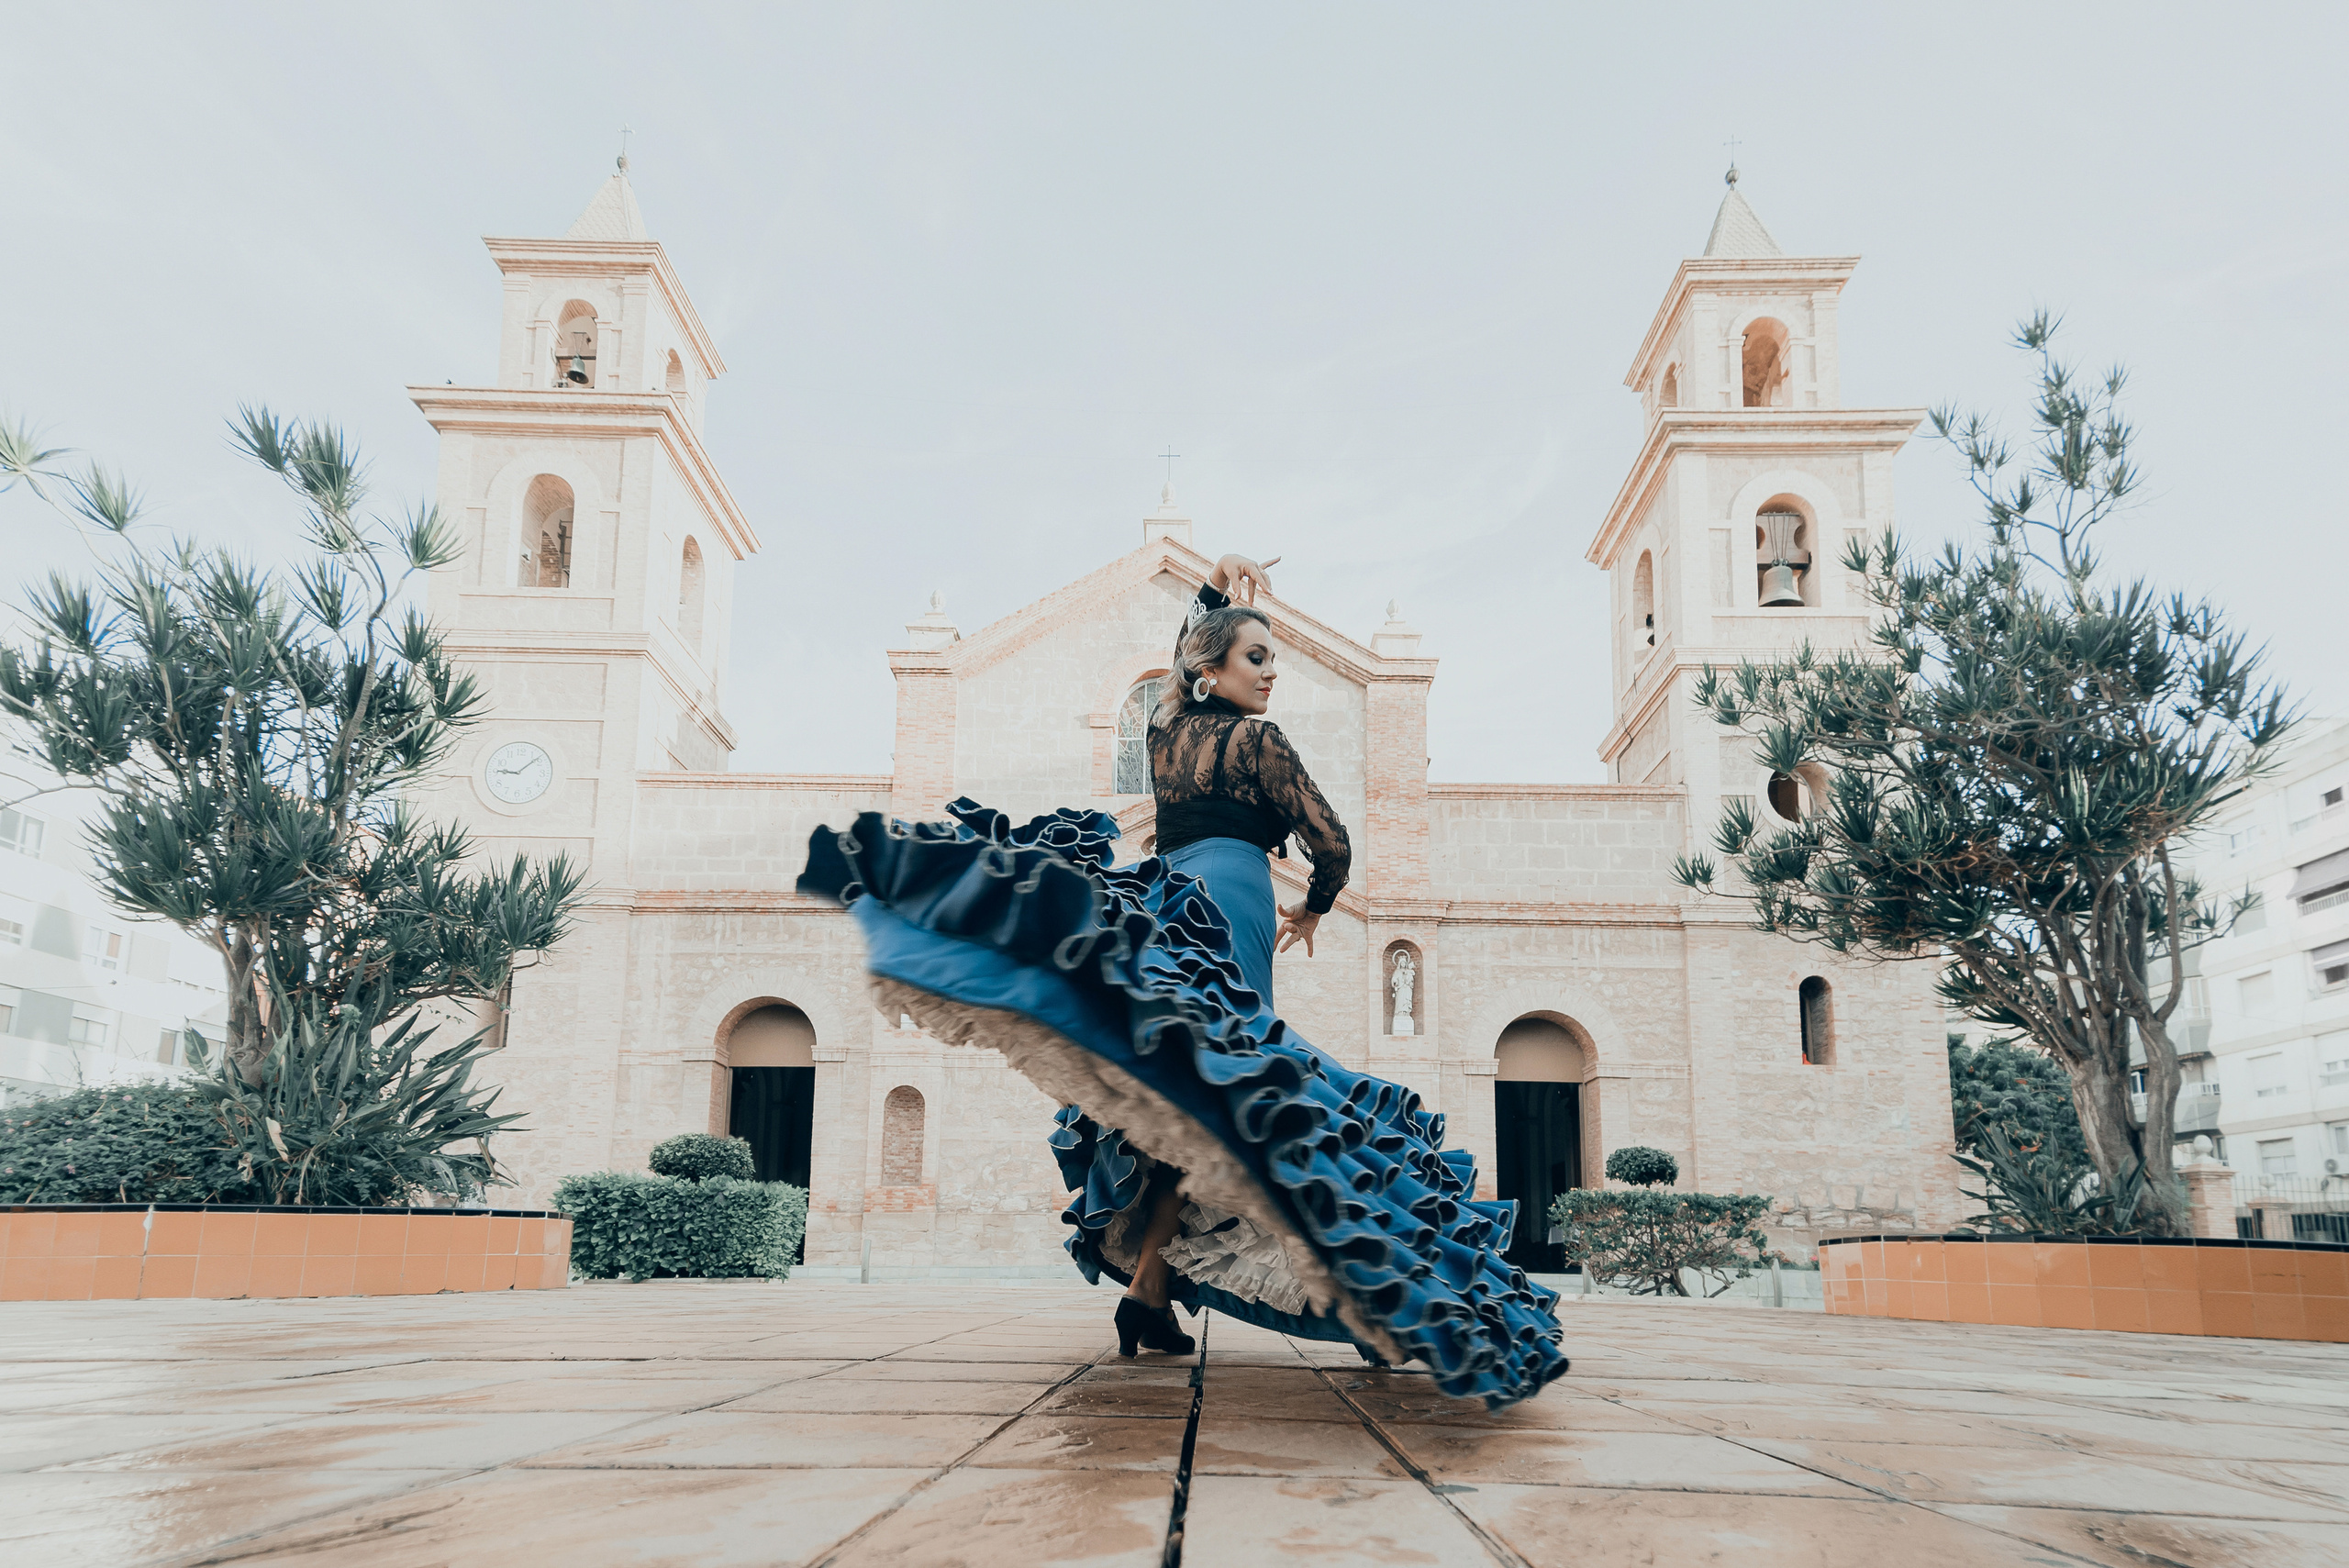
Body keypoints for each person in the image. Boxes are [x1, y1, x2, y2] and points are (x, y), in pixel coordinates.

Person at [798, 552, 1568, 1407]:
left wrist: (1209, 597)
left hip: (1172, 899)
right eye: (1256, 657)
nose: (1272, 672)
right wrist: (1314, 907)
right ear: (1214, 669)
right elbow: (1335, 841)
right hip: (1234, 902)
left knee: (1190, 1102)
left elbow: (1179, 663)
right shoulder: (1261, 741)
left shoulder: (1165, 732)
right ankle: (1376, 1291)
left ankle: (1149, 1294)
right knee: (1244, 1101)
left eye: (1272, 658)